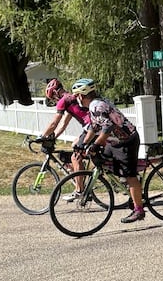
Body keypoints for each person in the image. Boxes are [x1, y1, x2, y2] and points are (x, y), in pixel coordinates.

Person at [71, 78, 145, 224]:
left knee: (129, 176)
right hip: (114, 142)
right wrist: (83, 144)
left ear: (81, 95)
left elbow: (107, 127)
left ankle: (138, 209)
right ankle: (128, 186)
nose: (76, 99)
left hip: (126, 141)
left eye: (77, 95)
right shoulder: (94, 105)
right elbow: (93, 127)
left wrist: (96, 144)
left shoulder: (97, 106)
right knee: (102, 160)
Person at [40, 78, 91, 200]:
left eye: (53, 97)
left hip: (92, 128)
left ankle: (80, 191)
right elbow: (62, 125)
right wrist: (53, 137)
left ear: (56, 92)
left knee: (75, 157)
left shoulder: (64, 100)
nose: (54, 100)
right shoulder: (70, 100)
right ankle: (80, 177)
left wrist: (42, 137)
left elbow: (54, 123)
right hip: (90, 127)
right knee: (74, 144)